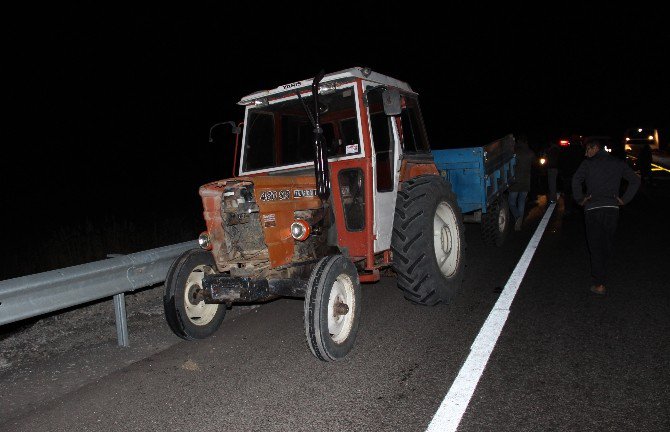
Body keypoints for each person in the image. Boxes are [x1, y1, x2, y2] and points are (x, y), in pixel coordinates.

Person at [572, 139, 640, 295]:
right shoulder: (618, 162)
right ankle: (603, 273)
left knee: (595, 245)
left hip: (593, 209)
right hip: (611, 209)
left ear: (595, 147)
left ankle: (599, 283)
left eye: (587, 150)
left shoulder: (587, 164)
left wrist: (580, 199)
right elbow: (635, 180)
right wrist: (624, 199)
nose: (586, 154)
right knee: (607, 242)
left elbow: (576, 180)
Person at [509, 134, 536, 231]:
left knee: (512, 202)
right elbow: (535, 163)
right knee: (521, 201)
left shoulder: (514, 152)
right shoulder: (530, 152)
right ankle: (519, 223)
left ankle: (517, 217)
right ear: (526, 142)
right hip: (526, 181)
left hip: (515, 182)